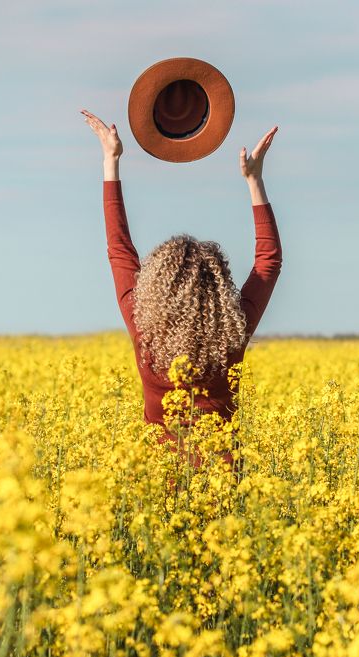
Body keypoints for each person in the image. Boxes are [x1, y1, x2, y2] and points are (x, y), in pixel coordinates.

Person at [80, 109, 282, 473]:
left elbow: (119, 252)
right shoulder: (231, 337)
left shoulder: (146, 336)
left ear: (157, 285)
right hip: (224, 489)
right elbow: (268, 260)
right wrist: (254, 181)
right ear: (217, 286)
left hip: (160, 488)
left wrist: (110, 161)